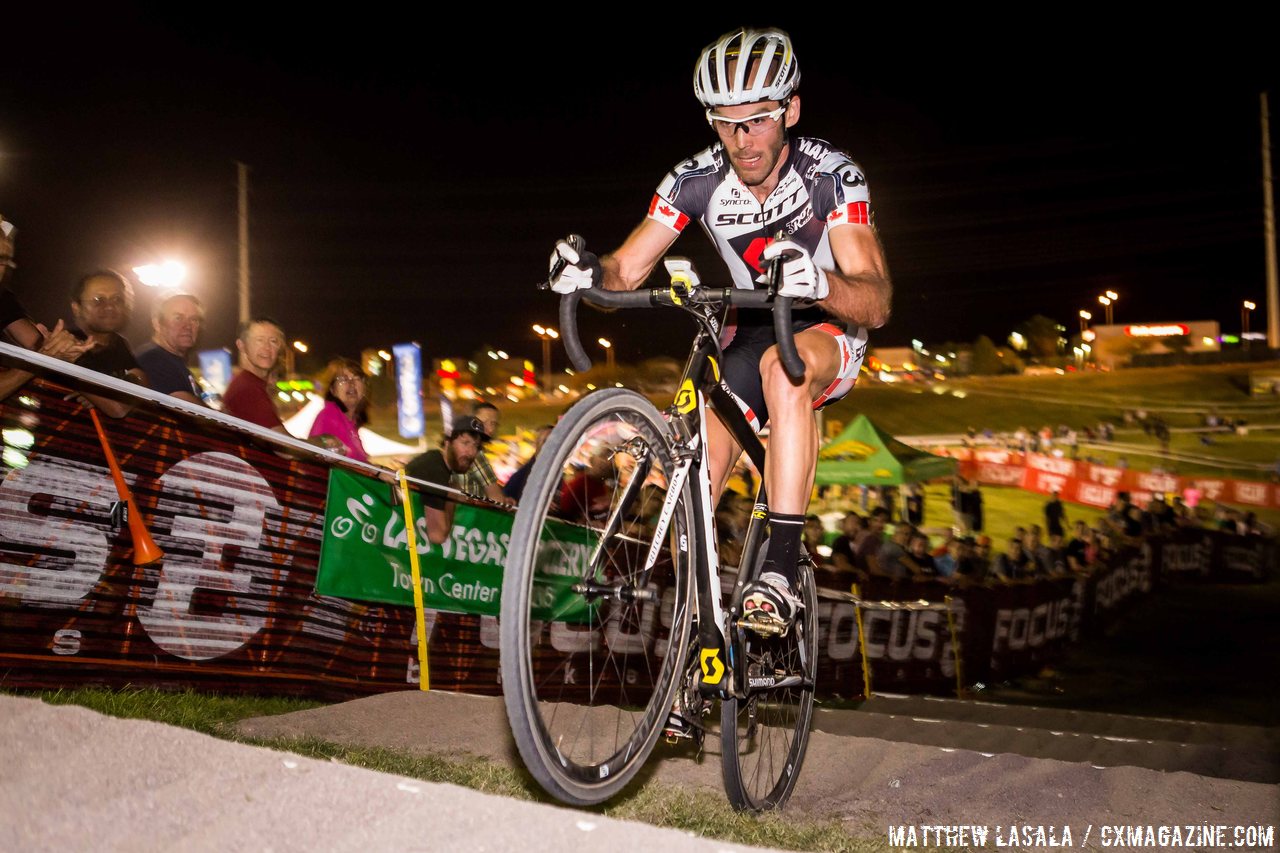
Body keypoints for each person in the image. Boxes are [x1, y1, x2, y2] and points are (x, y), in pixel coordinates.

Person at [547, 27, 891, 631]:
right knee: (693, 490)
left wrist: (821, 282)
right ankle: (695, 660)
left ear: (791, 109)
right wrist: (587, 272)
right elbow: (627, 268)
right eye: (725, 122)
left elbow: (876, 299)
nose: (742, 139)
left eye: (757, 120)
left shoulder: (833, 175)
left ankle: (779, 573)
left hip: (823, 326)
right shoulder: (693, 178)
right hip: (749, 329)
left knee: (784, 375)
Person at [0, 214, 94, 400]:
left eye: (3, 261)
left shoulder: (2, 298)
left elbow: (39, 344)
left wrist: (65, 350)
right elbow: (41, 357)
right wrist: (41, 361)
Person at [65, 270, 146, 417]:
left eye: (117, 299)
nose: (109, 307)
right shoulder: (65, 345)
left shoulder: (119, 343)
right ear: (76, 308)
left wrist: (102, 393)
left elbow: (143, 382)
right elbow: (119, 407)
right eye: (98, 300)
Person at [404, 414, 488, 544]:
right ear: (448, 443)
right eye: (465, 443)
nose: (471, 452)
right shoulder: (433, 469)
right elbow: (437, 536)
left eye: (476, 446)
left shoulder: (436, 463)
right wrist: (452, 495)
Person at [135, 292, 206, 404]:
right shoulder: (153, 360)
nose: (187, 326)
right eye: (178, 318)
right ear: (157, 324)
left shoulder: (173, 362)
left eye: (194, 319)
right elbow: (191, 411)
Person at [223, 317, 288, 430]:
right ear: (241, 345)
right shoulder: (247, 389)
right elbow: (284, 442)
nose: (267, 347)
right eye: (259, 340)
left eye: (273, 341)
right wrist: (321, 441)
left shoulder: (252, 383)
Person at [308, 358, 371, 461]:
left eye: (357, 378)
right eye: (343, 379)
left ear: (364, 389)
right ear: (332, 390)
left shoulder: (351, 424)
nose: (351, 383)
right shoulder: (329, 417)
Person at [459, 401, 514, 507]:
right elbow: (497, 500)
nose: (490, 429)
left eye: (493, 423)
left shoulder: (459, 447)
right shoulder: (474, 454)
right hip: (472, 517)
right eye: (483, 422)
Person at [503, 424, 553, 502]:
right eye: (544, 441)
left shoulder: (555, 471)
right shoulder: (522, 476)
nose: (548, 446)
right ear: (535, 444)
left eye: (552, 442)